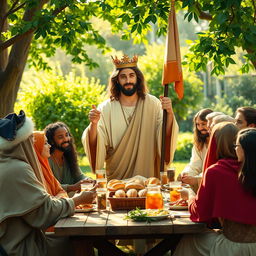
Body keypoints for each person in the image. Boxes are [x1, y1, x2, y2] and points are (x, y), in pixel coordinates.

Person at [0, 111, 96, 256]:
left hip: (14, 240)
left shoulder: (8, 165)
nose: (33, 143)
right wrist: (78, 200)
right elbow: (44, 213)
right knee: (78, 242)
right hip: (19, 246)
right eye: (30, 139)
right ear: (21, 143)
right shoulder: (17, 170)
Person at [82, 55, 178, 180]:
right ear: (117, 80)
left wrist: (169, 113)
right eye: (123, 77)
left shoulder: (153, 104)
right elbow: (96, 144)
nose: (128, 80)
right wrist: (93, 124)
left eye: (131, 76)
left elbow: (165, 135)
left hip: (149, 179)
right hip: (117, 180)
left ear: (137, 78)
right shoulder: (106, 108)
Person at [173, 124, 256, 256]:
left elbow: (199, 214)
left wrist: (189, 196)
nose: (235, 148)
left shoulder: (216, 171)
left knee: (189, 240)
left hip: (234, 247)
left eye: (237, 145)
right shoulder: (246, 170)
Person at [45, 122, 92, 194]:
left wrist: (88, 180)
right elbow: (49, 186)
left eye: (67, 135)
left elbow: (79, 176)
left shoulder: (69, 157)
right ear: (52, 141)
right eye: (60, 137)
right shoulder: (47, 160)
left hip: (73, 202)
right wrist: (72, 187)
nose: (66, 139)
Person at [180, 109, 213, 191]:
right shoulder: (199, 143)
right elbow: (195, 164)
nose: (200, 128)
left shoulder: (220, 142)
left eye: (203, 124)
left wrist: (196, 179)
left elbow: (214, 170)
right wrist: (186, 174)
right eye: (198, 124)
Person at [33, 131, 68, 198]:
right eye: (45, 143)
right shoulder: (33, 171)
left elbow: (61, 191)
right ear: (37, 147)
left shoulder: (45, 166)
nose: (49, 146)